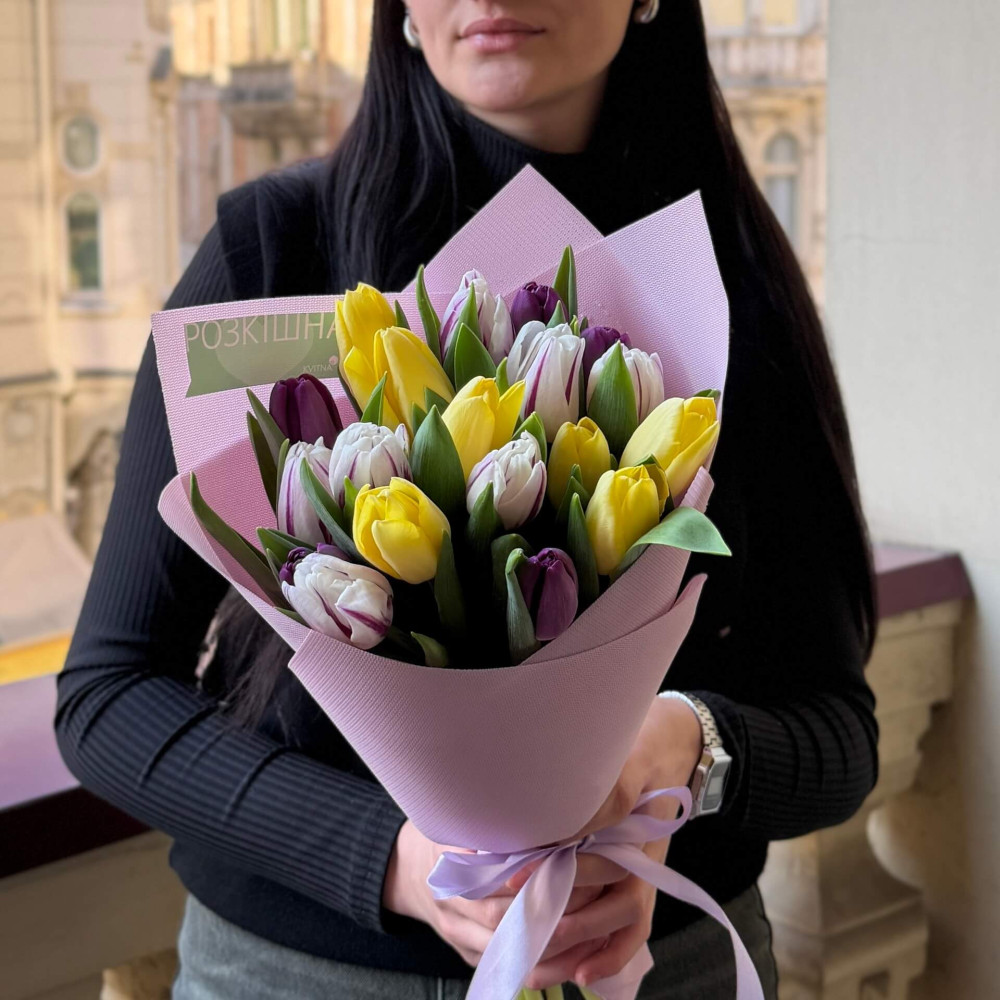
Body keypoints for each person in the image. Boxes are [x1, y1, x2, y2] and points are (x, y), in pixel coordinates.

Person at [55, 1, 879, 997]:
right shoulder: (273, 250)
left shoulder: (728, 288)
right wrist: (394, 862)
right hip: (297, 976)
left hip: (667, 971)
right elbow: (107, 696)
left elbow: (840, 734)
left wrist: (680, 751)